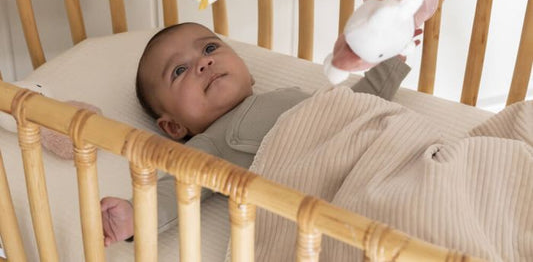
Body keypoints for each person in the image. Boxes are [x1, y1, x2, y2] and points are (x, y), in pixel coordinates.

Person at [100, 22, 410, 246]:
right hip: (338, 195)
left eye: (210, 48)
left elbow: (354, 107)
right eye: (179, 71)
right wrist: (133, 215)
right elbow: (177, 188)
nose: (204, 63)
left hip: (378, 156)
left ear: (247, 72)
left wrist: (389, 65)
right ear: (174, 127)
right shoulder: (210, 143)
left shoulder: (290, 94)